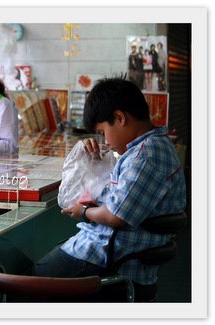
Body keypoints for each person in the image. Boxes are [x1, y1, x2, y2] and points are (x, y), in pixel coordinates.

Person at [31, 78, 186, 300]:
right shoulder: (146, 150)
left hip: (109, 257)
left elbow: (115, 215)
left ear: (120, 118)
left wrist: (82, 212)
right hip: (114, 250)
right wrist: (94, 161)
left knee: (28, 280)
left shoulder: (146, 155)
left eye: (103, 132)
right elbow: (118, 196)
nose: (106, 141)